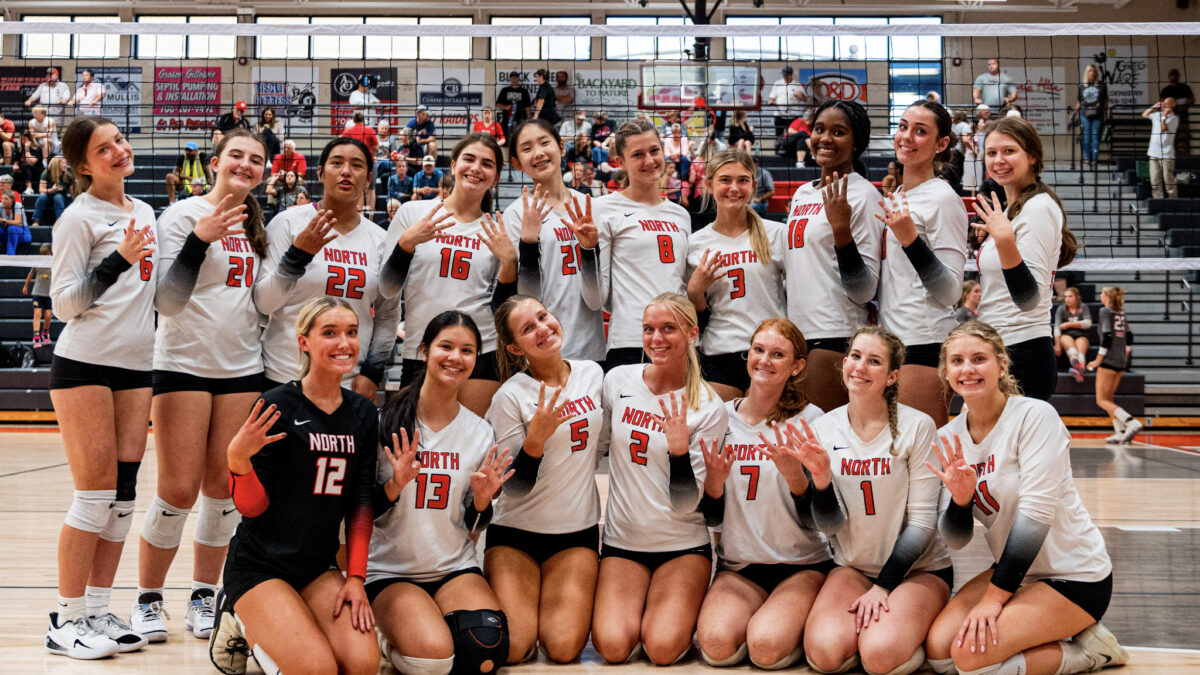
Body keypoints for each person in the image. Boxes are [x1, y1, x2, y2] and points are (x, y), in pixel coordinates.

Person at [925, 320, 1127, 675]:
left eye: (979, 358)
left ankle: (1092, 653)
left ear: (1002, 365)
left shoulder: (1035, 416)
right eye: (956, 361)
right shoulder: (948, 436)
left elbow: (1035, 517)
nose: (967, 369)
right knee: (940, 654)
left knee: (970, 659)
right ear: (946, 371)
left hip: (1073, 574)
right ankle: (1045, 630)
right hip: (1017, 572)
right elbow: (955, 540)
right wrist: (960, 501)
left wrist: (994, 599)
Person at [132, 129, 268, 642]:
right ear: (215, 163)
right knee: (177, 490)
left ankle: (203, 594)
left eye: (256, 160)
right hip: (183, 365)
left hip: (241, 369)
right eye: (236, 155)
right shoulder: (182, 215)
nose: (246, 165)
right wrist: (200, 238)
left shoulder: (259, 226)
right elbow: (166, 301)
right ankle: (147, 599)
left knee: (221, 491)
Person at [212, 297, 380, 675]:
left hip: (317, 566)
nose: (344, 343)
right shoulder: (277, 406)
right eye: (330, 333)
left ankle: (287, 617)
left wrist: (355, 577)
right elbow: (252, 508)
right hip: (260, 565)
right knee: (316, 670)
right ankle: (239, 616)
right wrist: (238, 463)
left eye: (351, 333)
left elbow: (360, 501)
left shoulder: (364, 413)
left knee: (362, 665)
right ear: (304, 342)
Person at [45, 115, 158, 659]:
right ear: (83, 165)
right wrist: (118, 260)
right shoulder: (77, 218)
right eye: (102, 148)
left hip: (137, 367)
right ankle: (64, 620)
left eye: (118, 140)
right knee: (93, 495)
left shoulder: (146, 211)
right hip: (85, 366)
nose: (118, 150)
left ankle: (96, 610)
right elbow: (64, 304)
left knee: (122, 497)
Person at [800, 326, 952, 675]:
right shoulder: (824, 428)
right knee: (824, 654)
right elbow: (827, 525)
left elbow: (923, 524)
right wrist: (820, 482)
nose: (860, 367)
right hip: (853, 567)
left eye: (874, 361)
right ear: (844, 363)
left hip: (918, 570)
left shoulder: (918, 426)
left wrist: (884, 586)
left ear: (891, 376)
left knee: (880, 656)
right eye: (855, 357)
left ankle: (904, 633)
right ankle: (872, 632)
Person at [370, 310, 515, 675]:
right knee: (432, 661)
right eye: (446, 346)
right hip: (391, 571)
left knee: (486, 651)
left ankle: (424, 623)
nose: (456, 358)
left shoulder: (480, 431)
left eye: (467, 351)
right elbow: (359, 512)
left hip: (453, 566)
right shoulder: (383, 422)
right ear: (424, 350)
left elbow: (474, 524)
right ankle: (387, 637)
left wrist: (483, 499)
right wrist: (394, 485)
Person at [592, 293, 728, 665]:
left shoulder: (708, 407)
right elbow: (596, 448)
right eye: (648, 329)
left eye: (669, 328)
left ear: (692, 333)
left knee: (663, 649)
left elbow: (688, 502)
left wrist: (679, 452)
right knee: (612, 647)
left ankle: (676, 615)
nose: (656, 339)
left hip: (681, 544)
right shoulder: (618, 380)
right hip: (624, 543)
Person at [694, 318, 828, 669]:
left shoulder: (812, 420)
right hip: (738, 566)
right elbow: (711, 518)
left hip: (801, 563)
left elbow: (822, 521)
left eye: (777, 354)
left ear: (797, 366)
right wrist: (714, 484)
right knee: (716, 646)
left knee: (766, 647)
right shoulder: (720, 418)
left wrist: (795, 478)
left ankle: (799, 625)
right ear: (748, 354)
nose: (765, 360)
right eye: (758, 350)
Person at [483, 296, 606, 663]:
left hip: (575, 533)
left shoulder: (592, 374)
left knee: (564, 649)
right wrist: (534, 441)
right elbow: (511, 487)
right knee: (516, 648)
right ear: (515, 347)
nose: (542, 328)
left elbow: (599, 448)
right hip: (516, 534)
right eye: (528, 328)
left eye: (543, 316)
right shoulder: (509, 396)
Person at [381, 132, 517, 416]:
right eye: (469, 159)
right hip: (422, 347)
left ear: (495, 177)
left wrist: (509, 264)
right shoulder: (413, 213)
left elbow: (502, 308)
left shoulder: (498, 229)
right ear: (453, 165)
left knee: (471, 446)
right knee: (416, 445)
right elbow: (386, 289)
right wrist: (406, 244)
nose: (476, 168)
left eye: (487, 164)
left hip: (481, 348)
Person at [255, 137, 399, 399]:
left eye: (356, 165)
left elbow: (388, 315)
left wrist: (372, 373)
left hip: (349, 383)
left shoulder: (381, 240)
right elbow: (263, 304)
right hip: (285, 376)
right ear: (320, 173)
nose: (346, 171)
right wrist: (297, 255)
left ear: (368, 179)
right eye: (337, 163)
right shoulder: (287, 223)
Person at [782, 99, 884, 414]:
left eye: (838, 132)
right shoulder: (803, 193)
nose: (825, 138)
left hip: (833, 335)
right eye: (819, 129)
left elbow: (865, 290)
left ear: (857, 144)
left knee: (821, 449)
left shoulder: (863, 195)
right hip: (796, 335)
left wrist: (842, 231)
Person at [876, 100, 970, 428]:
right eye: (903, 127)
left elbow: (950, 291)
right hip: (891, 341)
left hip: (924, 341)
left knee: (924, 460)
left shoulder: (943, 198)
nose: (907, 137)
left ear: (941, 144)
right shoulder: (897, 196)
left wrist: (910, 240)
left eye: (920, 131)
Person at [974, 118, 1078, 401]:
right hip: (999, 348)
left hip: (1022, 352)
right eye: (992, 152)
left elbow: (1028, 299)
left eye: (1009, 151)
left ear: (1032, 156)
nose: (999, 160)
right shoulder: (1011, 211)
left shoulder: (1038, 208)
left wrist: (1004, 241)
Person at [577, 118, 691, 370]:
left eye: (654, 151)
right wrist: (588, 251)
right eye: (638, 154)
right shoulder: (603, 209)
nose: (650, 160)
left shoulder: (680, 214)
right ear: (620, 163)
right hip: (631, 341)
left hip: (680, 341)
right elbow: (596, 300)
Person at [686, 150, 786, 400]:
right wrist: (695, 292)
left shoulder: (777, 234)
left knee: (764, 436)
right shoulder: (695, 243)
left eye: (742, 180)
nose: (734, 188)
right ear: (709, 185)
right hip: (719, 352)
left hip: (769, 353)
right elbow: (695, 316)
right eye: (725, 180)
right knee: (722, 436)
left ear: (753, 184)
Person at [503, 119, 606, 362]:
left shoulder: (591, 207)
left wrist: (589, 250)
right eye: (527, 149)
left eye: (544, 143)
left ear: (561, 147)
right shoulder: (516, 214)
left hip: (592, 350)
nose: (538, 153)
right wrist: (528, 244)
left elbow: (596, 301)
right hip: (542, 354)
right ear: (517, 163)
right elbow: (526, 301)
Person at [1087, 287, 1142, 444]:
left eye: (1103, 293)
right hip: (1120, 361)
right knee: (1108, 399)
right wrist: (1125, 354)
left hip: (1109, 360)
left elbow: (1107, 337)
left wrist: (1097, 360)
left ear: (1108, 297)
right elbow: (1130, 336)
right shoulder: (1121, 312)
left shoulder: (1105, 311)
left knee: (1101, 400)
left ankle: (1131, 422)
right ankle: (1120, 432)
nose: (1100, 295)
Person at [1054, 286, 1093, 383]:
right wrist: (1057, 345)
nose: (1067, 299)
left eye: (1070, 296)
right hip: (1066, 335)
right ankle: (1078, 366)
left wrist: (1069, 324)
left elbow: (1088, 323)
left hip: (1081, 335)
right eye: (1065, 297)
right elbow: (1057, 327)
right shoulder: (1061, 308)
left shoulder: (1083, 307)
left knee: (1081, 343)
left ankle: (1078, 370)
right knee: (1068, 341)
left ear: (1077, 297)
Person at [1143, 96, 1180, 199]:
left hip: (1166, 154)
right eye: (1163, 103)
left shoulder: (1174, 119)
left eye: (1167, 104)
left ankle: (1173, 200)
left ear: (1172, 106)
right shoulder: (1156, 115)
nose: (1164, 106)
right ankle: (1158, 200)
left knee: (1168, 180)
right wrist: (1153, 107)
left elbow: (1163, 128)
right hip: (1153, 152)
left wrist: (1164, 116)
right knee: (1155, 180)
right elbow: (1144, 114)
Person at [1074, 65, 1108, 170]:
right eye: (1090, 71)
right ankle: (1087, 159)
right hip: (1084, 114)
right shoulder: (1082, 87)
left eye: (1094, 71)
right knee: (1086, 137)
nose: (1092, 73)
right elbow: (1079, 102)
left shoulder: (1101, 86)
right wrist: (1073, 114)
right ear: (1087, 73)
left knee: (1095, 137)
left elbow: (1106, 101)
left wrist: (1106, 113)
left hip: (1098, 115)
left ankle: (1094, 159)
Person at [23, 243, 53, 347]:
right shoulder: (37, 262)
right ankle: (36, 337)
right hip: (38, 292)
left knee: (48, 315)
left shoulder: (55, 262)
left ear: (50, 253)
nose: (45, 256)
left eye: (46, 254)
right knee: (37, 313)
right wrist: (25, 286)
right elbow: (30, 274)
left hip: (49, 293)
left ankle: (45, 333)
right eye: (43, 254)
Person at [767, 66, 807, 142]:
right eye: (783, 74)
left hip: (792, 115)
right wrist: (771, 102)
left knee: (792, 136)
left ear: (790, 75)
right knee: (779, 136)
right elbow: (772, 98)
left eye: (786, 75)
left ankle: (790, 153)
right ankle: (778, 151)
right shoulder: (778, 83)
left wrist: (800, 95)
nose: (784, 76)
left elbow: (805, 99)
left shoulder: (797, 84)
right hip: (779, 115)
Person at [32, 155, 73, 228]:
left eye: (66, 163)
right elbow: (41, 190)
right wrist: (52, 190)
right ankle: (36, 221)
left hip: (61, 199)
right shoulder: (46, 173)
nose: (65, 165)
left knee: (58, 197)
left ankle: (59, 223)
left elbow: (72, 194)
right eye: (63, 163)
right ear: (57, 164)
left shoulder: (68, 176)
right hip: (48, 197)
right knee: (42, 196)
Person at [497, 72, 532, 137]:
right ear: (509, 79)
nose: (514, 79)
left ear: (519, 79)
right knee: (506, 139)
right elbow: (498, 104)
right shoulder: (505, 90)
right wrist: (506, 107)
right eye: (512, 78)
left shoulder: (524, 91)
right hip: (507, 120)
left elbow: (528, 106)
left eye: (516, 78)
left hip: (520, 119)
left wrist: (529, 119)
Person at [1, 189, 29, 255]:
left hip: (23, 233)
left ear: (12, 199)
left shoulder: (18, 206)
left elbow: (17, 222)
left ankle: (10, 255)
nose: (3, 201)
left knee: (12, 228)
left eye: (6, 199)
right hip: (6, 233)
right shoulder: (0, 206)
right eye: (2, 198)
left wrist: (4, 220)